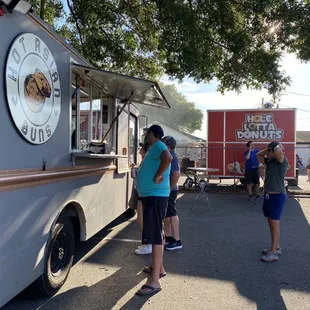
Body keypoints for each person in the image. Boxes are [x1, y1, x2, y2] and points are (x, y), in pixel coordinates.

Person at [135, 125, 172, 296]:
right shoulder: (154, 148)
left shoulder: (159, 146)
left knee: (156, 235)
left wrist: (157, 176)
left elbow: (167, 158)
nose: (146, 137)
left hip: (155, 196)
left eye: (147, 134)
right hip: (153, 195)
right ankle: (160, 269)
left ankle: (155, 281)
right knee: (158, 233)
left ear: (152, 134)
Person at [256, 142, 288, 262]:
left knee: (275, 225)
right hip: (269, 196)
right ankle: (276, 247)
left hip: (277, 196)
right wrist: (267, 150)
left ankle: (274, 253)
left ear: (274, 152)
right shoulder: (269, 162)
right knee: (271, 224)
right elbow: (258, 155)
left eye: (269, 151)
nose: (267, 153)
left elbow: (279, 151)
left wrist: (275, 147)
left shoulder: (282, 161)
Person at [162, 136, 182, 251]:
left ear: (168, 146)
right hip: (168, 189)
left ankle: (177, 240)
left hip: (171, 190)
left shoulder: (172, 156)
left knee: (172, 214)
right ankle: (169, 237)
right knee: (167, 215)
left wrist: (169, 188)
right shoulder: (169, 155)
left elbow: (177, 174)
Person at [132, 143, 153, 255]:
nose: (140, 150)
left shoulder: (148, 163)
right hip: (142, 194)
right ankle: (146, 243)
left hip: (145, 195)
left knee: (144, 219)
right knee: (141, 219)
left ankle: (148, 244)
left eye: (142, 148)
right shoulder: (145, 162)